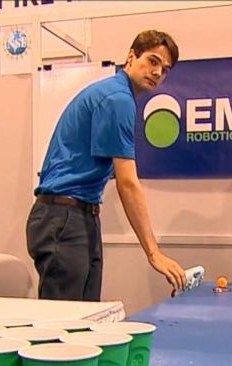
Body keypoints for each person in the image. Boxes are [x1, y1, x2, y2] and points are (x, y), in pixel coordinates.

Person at [26, 29, 186, 301]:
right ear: (131, 57)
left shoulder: (117, 96)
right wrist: (153, 253)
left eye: (165, 69)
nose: (158, 72)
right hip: (63, 217)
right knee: (62, 328)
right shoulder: (117, 99)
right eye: (152, 61)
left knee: (87, 320)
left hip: (79, 216)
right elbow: (127, 182)